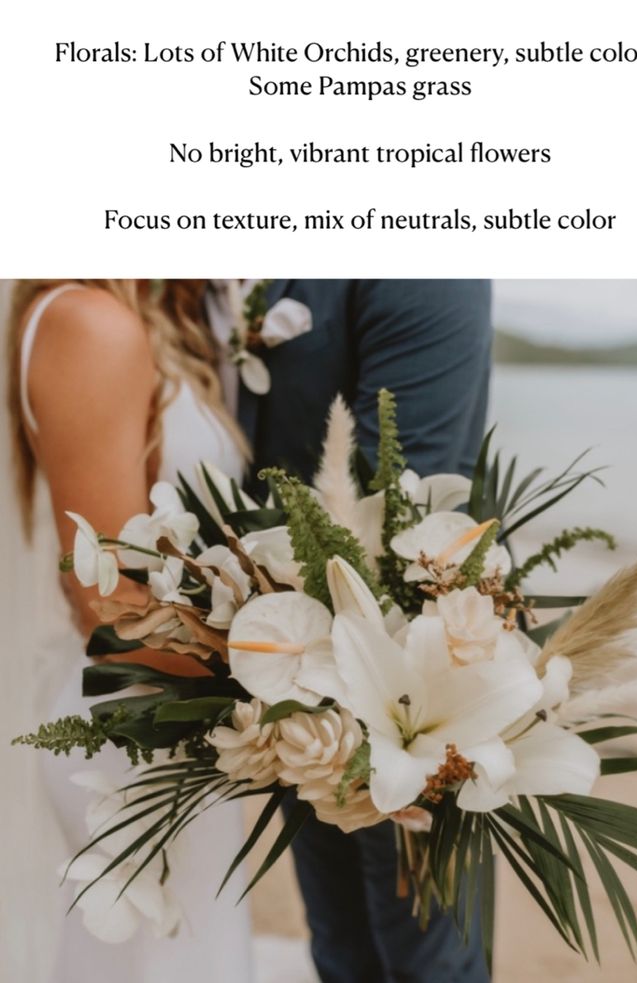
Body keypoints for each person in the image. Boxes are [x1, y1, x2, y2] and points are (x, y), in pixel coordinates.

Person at [206, 278, 493, 983]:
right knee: (339, 950)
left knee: (429, 962)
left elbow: (406, 485)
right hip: (290, 672)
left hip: (417, 676)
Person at [6, 280, 254, 983]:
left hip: (181, 730)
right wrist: (301, 685)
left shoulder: (166, 320)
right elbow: (109, 607)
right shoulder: (89, 323)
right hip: (128, 734)